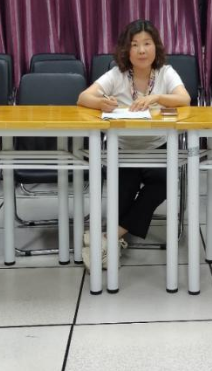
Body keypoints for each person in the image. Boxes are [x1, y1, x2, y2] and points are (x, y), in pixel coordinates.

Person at [78, 19, 191, 269]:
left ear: (156, 47)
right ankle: (114, 237)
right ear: (126, 50)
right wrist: (100, 103)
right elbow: (83, 97)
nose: (141, 50)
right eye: (135, 45)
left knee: (163, 184)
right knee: (122, 195)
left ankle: (109, 237)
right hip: (123, 150)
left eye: (147, 43)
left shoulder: (165, 72)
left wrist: (158, 97)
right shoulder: (117, 75)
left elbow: (184, 98)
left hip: (157, 148)